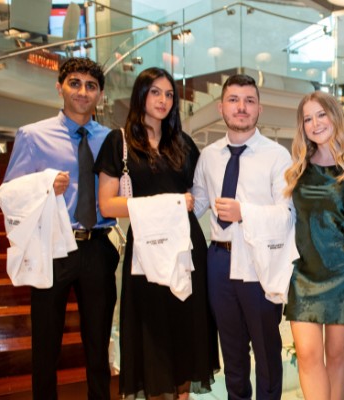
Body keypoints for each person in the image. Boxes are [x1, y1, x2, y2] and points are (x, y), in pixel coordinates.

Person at [94, 67, 219, 399]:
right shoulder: (118, 141)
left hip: (187, 249)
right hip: (147, 251)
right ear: (141, 95)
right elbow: (106, 205)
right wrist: (168, 203)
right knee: (154, 337)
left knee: (185, 334)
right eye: (155, 92)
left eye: (169, 94)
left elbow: (200, 196)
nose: (163, 100)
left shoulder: (183, 143)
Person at [3, 57, 118, 399]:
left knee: (98, 344)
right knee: (46, 343)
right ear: (60, 87)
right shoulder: (33, 135)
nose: (83, 92)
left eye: (91, 86)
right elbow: (10, 194)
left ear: (100, 94)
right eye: (75, 83)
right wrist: (43, 186)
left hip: (97, 245)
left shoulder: (111, 139)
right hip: (51, 245)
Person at [191, 74, 292, 400]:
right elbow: (197, 206)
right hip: (219, 260)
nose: (241, 107)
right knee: (231, 351)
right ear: (221, 107)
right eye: (234, 100)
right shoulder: (208, 156)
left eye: (249, 101)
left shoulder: (278, 156)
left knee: (266, 351)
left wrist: (243, 212)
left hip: (259, 261)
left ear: (259, 108)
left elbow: (287, 216)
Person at [283, 91, 344, 400]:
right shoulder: (296, 169)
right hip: (303, 274)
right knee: (307, 355)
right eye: (307, 119)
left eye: (321, 115)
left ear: (335, 116)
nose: (315, 123)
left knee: (339, 356)